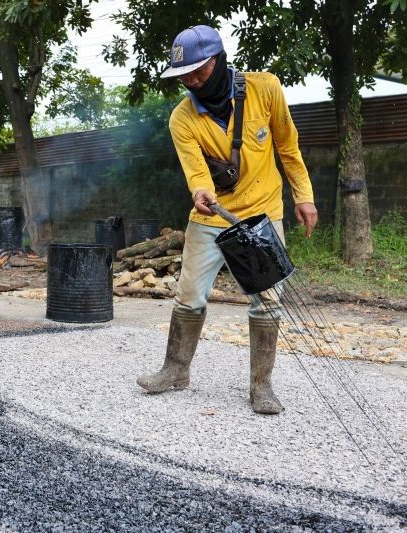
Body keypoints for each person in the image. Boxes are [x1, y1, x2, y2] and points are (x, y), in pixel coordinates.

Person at [136, 26, 318, 414]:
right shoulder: (182, 118)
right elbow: (196, 171)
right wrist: (200, 191)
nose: (191, 80)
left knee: (267, 301)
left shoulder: (265, 89)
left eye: (199, 71)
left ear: (218, 60)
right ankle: (176, 369)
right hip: (210, 216)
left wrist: (304, 196)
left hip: (263, 213)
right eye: (184, 74)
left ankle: (261, 386)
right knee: (188, 294)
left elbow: (288, 147)